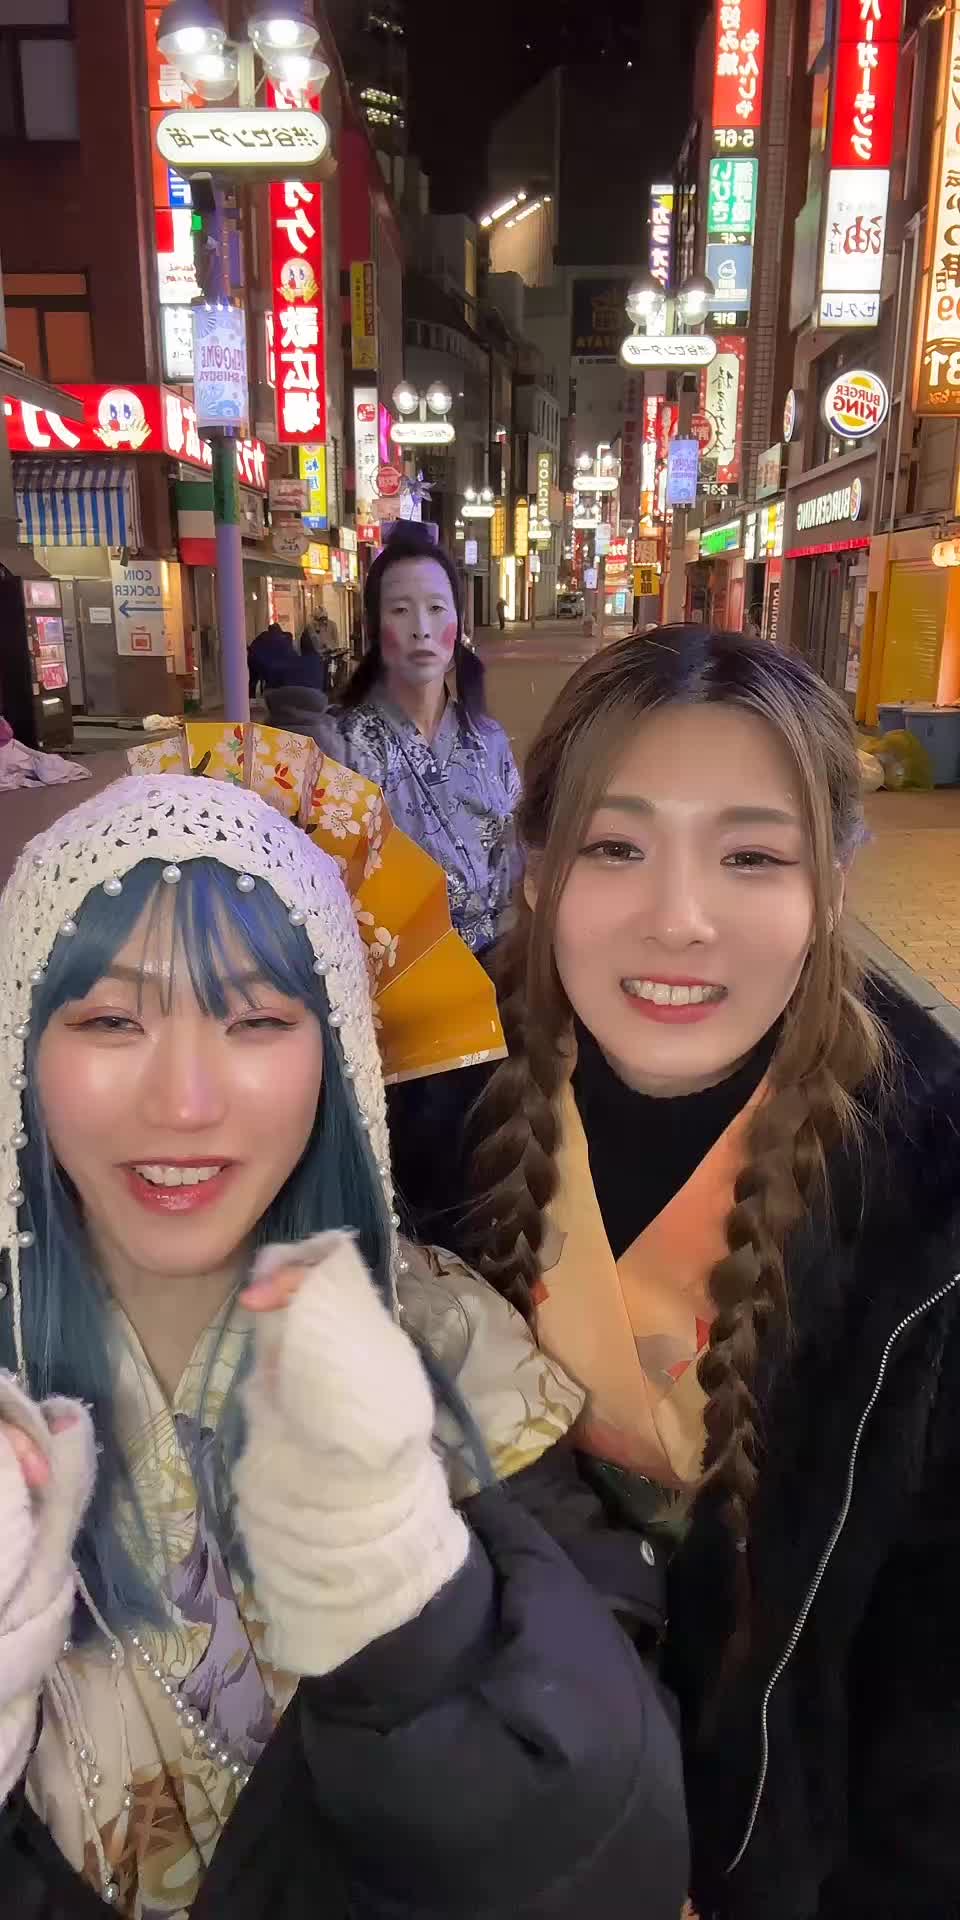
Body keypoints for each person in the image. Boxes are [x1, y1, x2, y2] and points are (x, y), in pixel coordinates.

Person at [0, 770, 687, 1920]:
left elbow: (613, 1845)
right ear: (22, 1041)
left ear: (337, 1056)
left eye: (257, 1021)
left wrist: (415, 1614)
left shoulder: (449, 1347)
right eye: (112, 1020)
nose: (184, 1102)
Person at [390, 624, 960, 1920]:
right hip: (482, 1839)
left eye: (751, 856)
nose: (680, 920)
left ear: (833, 882)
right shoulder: (421, 1112)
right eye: (616, 847)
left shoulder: (931, 1195)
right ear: (537, 870)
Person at [325, 528, 521, 954]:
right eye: (400, 610)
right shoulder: (339, 744)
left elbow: (515, 865)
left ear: (459, 622)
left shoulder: (489, 741)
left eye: (436, 608)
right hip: (384, 969)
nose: (421, 629)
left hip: (488, 968)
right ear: (373, 627)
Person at [247, 623, 299, 700]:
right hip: (268, 665)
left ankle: (251, 699)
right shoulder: (285, 638)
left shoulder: (264, 637)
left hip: (259, 662)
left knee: (253, 682)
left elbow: (253, 649)